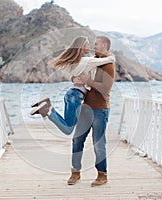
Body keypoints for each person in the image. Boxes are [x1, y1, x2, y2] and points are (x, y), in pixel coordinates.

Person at [30, 36, 115, 136]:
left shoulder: (75, 61)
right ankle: (48, 110)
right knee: (68, 129)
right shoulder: (86, 61)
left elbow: (74, 76)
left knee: (67, 123)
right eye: (87, 44)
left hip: (71, 94)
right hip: (76, 96)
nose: (90, 46)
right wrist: (112, 57)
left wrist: (74, 78)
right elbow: (106, 60)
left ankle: (47, 106)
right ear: (82, 46)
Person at [67, 36, 115, 187]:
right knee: (77, 140)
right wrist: (75, 79)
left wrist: (88, 81)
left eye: (97, 44)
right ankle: (75, 172)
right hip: (86, 108)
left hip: (100, 109)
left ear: (105, 46)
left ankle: (102, 175)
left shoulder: (109, 65)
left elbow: (105, 89)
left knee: (98, 144)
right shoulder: (92, 61)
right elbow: (77, 74)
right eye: (93, 44)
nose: (94, 46)